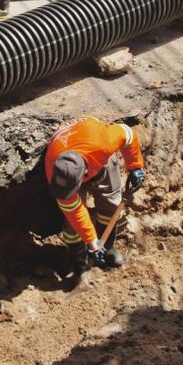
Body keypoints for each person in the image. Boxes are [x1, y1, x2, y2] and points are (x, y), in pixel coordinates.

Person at [45, 116, 146, 274]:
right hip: (70, 144)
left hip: (94, 150)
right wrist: (92, 242)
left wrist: (135, 166)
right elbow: (75, 213)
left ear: (83, 175)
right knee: (72, 226)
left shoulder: (103, 144)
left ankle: (108, 247)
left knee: (112, 205)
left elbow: (128, 134)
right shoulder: (55, 168)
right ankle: (78, 260)